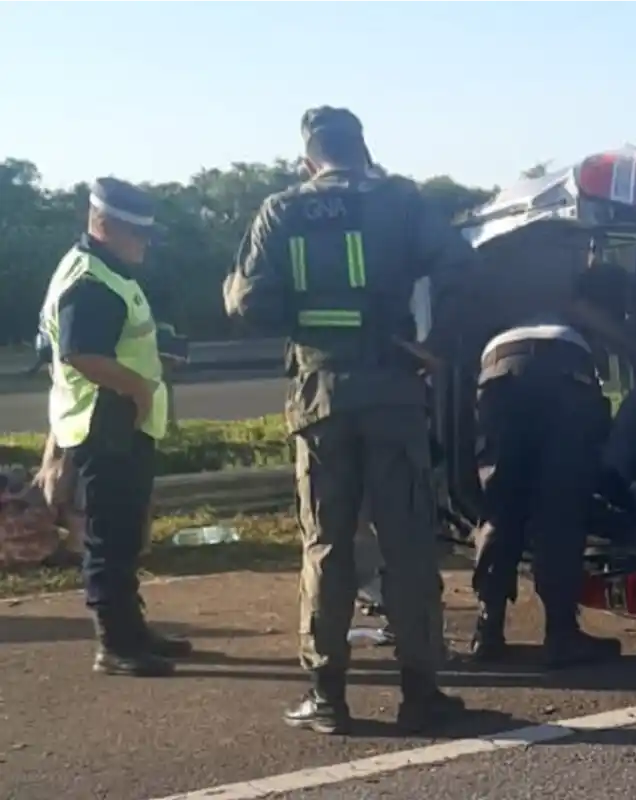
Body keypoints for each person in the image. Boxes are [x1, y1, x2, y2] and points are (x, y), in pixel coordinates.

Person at [224, 107, 479, 735]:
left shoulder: (280, 210)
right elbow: (462, 266)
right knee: (407, 544)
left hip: (321, 398)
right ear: (364, 151)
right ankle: (421, 692)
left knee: (328, 544)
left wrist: (279, 311)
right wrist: (434, 343)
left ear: (309, 159)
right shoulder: (401, 201)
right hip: (393, 391)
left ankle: (327, 697)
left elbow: (251, 302)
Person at [39, 178, 192, 676]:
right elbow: (80, 354)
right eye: (134, 233)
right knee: (110, 537)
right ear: (102, 224)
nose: (143, 243)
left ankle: (132, 630)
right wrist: (138, 388)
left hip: (115, 421)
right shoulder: (92, 281)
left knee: (124, 535)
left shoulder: (105, 269)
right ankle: (117, 643)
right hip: (106, 422)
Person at [469, 259, 636, 668]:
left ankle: (487, 631)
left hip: (498, 371)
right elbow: (632, 353)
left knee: (502, 505)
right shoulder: (586, 312)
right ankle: (561, 635)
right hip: (561, 374)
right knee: (559, 509)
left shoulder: (532, 311)